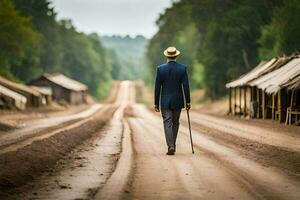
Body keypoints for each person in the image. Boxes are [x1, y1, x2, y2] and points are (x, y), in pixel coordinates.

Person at [154, 46, 191, 155]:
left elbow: (157, 87)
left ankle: (171, 146)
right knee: (175, 123)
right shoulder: (182, 68)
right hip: (178, 100)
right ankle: (172, 145)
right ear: (176, 56)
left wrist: (156, 102)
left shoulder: (160, 69)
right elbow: (186, 86)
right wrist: (188, 101)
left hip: (165, 101)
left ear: (167, 56)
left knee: (167, 123)